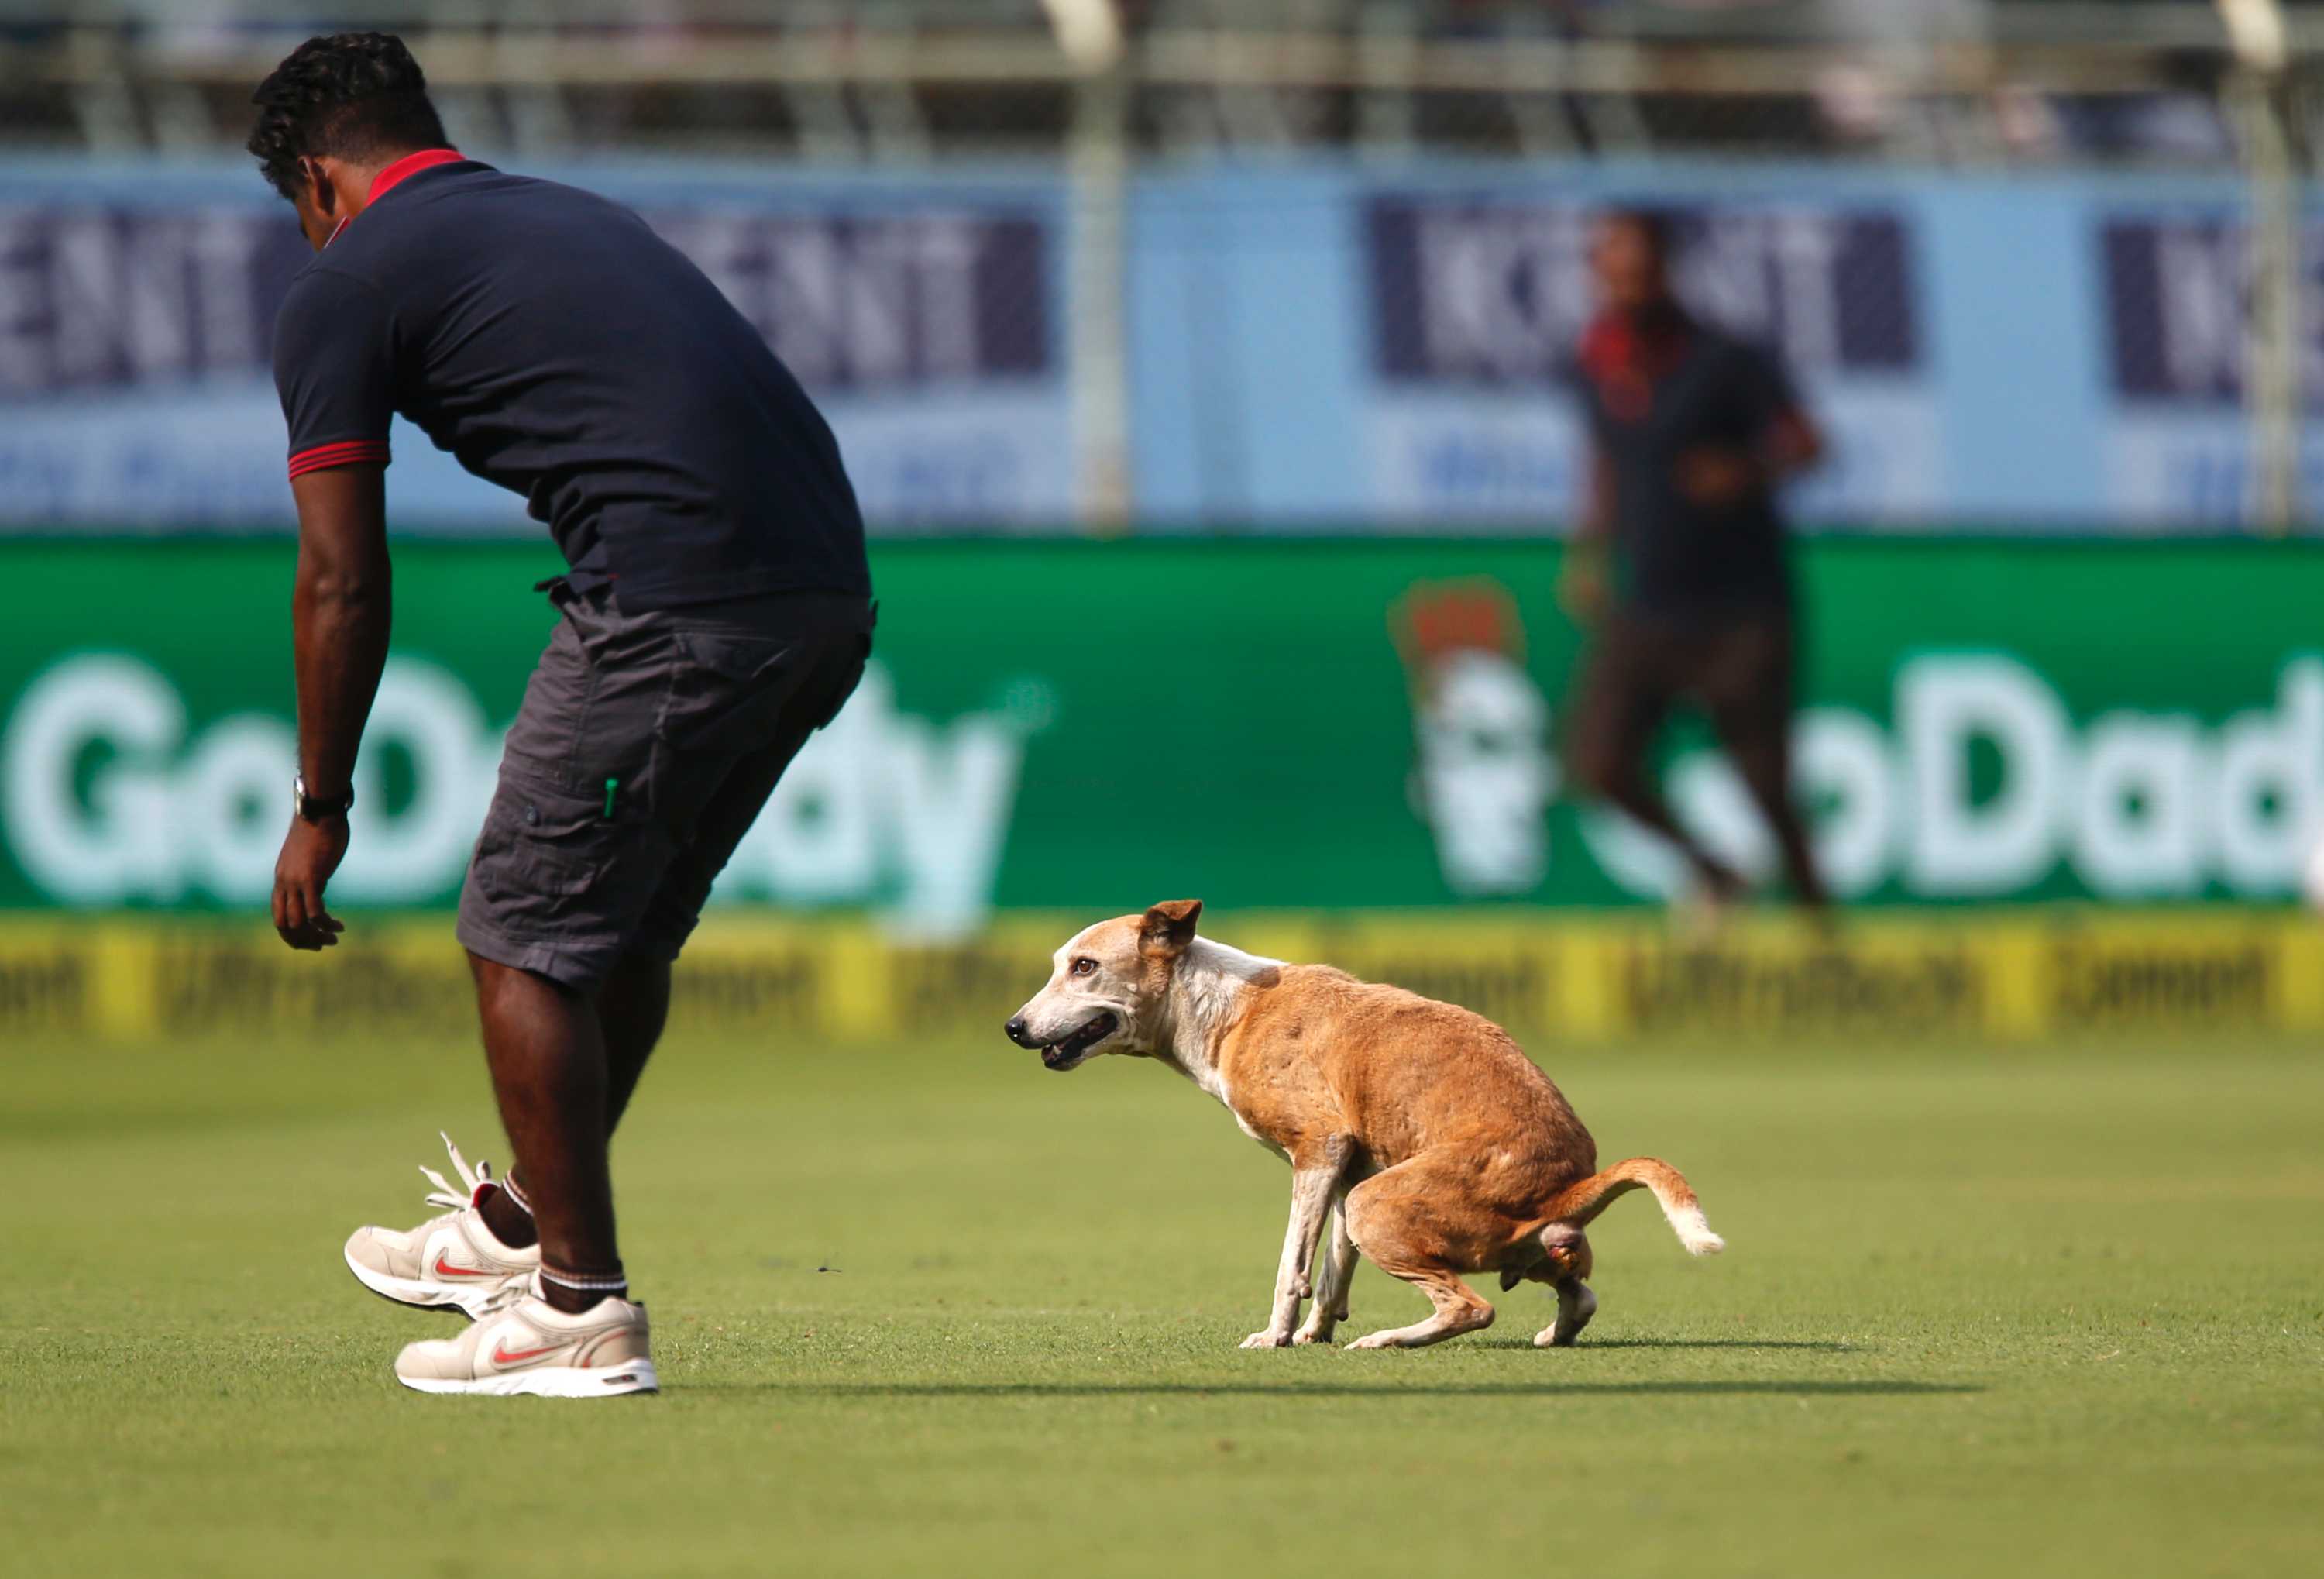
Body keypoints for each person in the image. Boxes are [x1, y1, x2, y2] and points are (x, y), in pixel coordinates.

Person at [253, 33, 875, 1397]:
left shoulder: (345, 281)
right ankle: (525, 1233)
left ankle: (577, 1310)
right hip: (825, 594)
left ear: (314, 180)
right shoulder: (565, 210)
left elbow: (342, 577)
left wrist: (321, 802)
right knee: (612, 935)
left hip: (674, 599)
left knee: (521, 939)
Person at [1560, 208, 1831, 918]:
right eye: (1610, 267)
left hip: (1741, 606)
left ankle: (1822, 926)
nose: (1624, 281)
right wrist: (1589, 551)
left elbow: (1807, 443)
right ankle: (1716, 870)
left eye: (1638, 266)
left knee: (1766, 783)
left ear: (1663, 271)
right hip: (1648, 602)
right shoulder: (1595, 363)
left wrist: (1745, 469)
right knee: (1600, 763)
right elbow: (1606, 462)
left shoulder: (1723, 358)